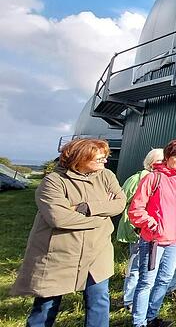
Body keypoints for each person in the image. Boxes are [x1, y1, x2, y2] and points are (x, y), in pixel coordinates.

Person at [12, 138, 126, 327]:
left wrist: (85, 207)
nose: (105, 162)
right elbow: (58, 218)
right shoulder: (53, 182)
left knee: (99, 299)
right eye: (99, 158)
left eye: (105, 157)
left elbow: (119, 203)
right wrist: (101, 217)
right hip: (59, 253)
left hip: (97, 251)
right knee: (47, 305)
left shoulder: (106, 176)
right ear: (80, 158)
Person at [129, 139, 176, 327]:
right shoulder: (152, 178)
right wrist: (152, 224)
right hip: (154, 240)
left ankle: (152, 317)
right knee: (146, 282)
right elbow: (136, 209)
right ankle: (139, 322)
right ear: (168, 157)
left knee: (165, 279)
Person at [116, 148, 164, 312]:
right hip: (138, 229)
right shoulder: (137, 179)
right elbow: (121, 202)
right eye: (161, 161)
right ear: (152, 163)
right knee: (136, 265)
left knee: (152, 265)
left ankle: (147, 297)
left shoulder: (165, 179)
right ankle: (129, 299)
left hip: (157, 231)